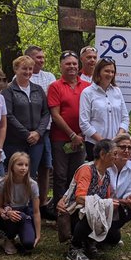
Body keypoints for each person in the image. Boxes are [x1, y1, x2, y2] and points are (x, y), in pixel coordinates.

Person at [48, 51, 91, 240]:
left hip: (81, 139)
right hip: (61, 138)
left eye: (74, 64)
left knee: (78, 177)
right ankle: (62, 217)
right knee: (60, 177)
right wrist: (72, 134)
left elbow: (92, 112)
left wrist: (81, 135)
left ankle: (76, 214)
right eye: (68, 64)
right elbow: (55, 114)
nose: (72, 67)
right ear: (61, 66)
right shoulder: (55, 86)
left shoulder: (88, 86)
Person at [65, 139, 119, 260]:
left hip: (92, 211)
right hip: (74, 211)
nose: (116, 157)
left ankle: (90, 242)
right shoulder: (87, 169)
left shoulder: (106, 175)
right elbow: (79, 198)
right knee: (91, 210)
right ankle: (74, 247)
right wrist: (103, 204)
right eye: (114, 153)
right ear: (103, 154)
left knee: (115, 234)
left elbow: (106, 198)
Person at [2, 56, 50, 176]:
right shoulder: (8, 90)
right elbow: (8, 115)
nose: (28, 72)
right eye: (24, 69)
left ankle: (31, 195)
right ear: (16, 69)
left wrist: (38, 132)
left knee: (31, 175)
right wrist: (26, 134)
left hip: (36, 142)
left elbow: (46, 113)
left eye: (30, 69)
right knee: (15, 175)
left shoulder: (38, 89)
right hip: (15, 141)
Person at [26, 45, 57, 213]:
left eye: (43, 57)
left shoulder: (49, 76)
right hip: (29, 131)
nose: (42, 60)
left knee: (46, 165)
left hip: (47, 129)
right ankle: (30, 202)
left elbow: (50, 104)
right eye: (38, 57)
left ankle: (43, 202)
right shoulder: (23, 76)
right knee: (30, 167)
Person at [79, 57, 129, 160]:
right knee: (97, 175)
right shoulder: (87, 93)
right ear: (98, 72)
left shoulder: (117, 91)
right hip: (95, 145)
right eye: (107, 71)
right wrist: (103, 142)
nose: (110, 74)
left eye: (112, 72)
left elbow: (125, 118)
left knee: (113, 175)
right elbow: (84, 123)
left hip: (115, 145)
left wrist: (116, 139)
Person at [0, 152, 42, 255]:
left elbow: (36, 211)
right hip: (8, 213)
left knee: (29, 244)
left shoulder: (32, 184)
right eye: (20, 164)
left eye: (26, 165)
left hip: (24, 213)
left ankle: (22, 234)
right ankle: (9, 238)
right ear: (12, 165)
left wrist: (38, 235)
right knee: (18, 215)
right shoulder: (1, 183)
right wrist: (7, 213)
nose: (23, 168)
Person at [106, 133, 131, 245]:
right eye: (123, 147)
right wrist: (121, 201)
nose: (126, 151)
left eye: (129, 148)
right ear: (114, 148)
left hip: (118, 205)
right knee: (112, 240)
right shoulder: (106, 165)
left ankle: (112, 229)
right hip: (103, 204)